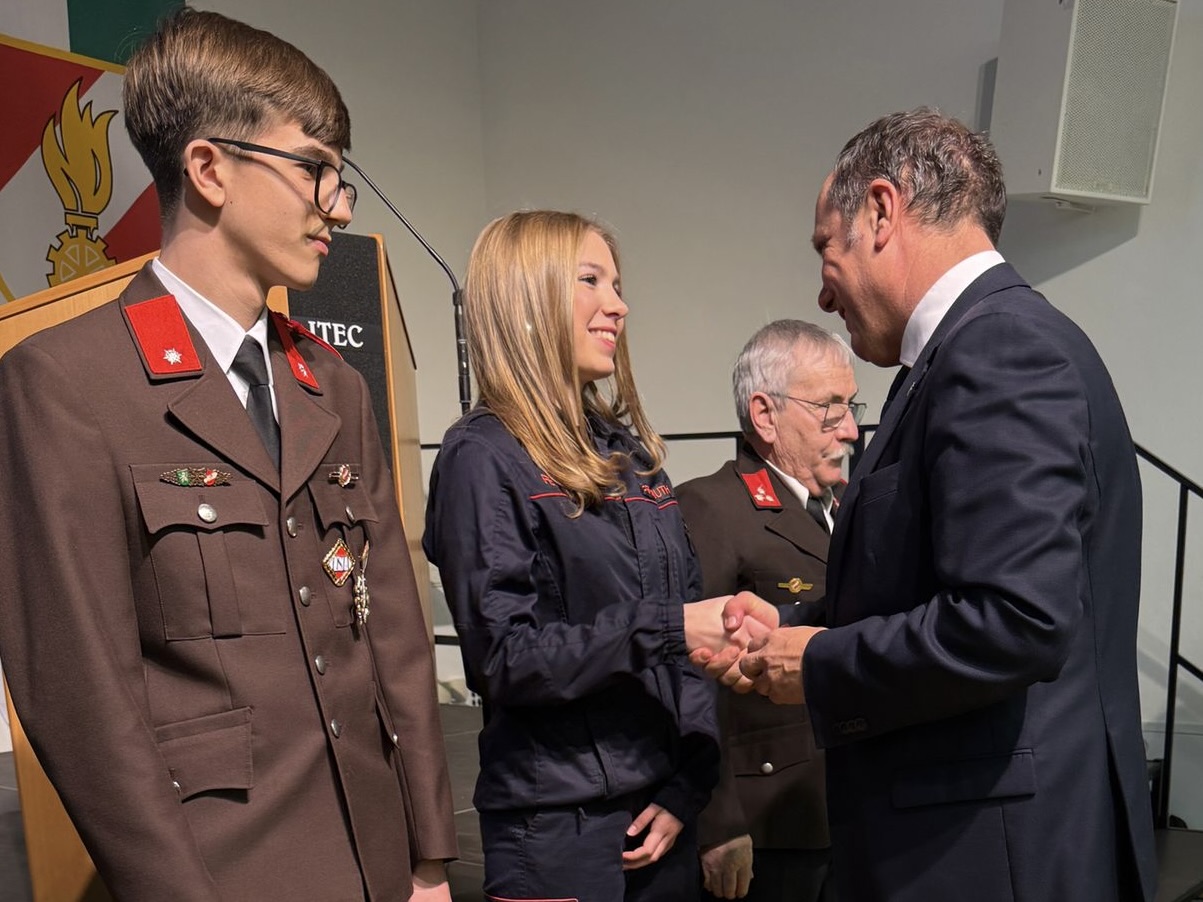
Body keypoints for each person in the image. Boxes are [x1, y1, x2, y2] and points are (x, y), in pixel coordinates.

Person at [0, 9, 456, 900]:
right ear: (209, 169)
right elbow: (81, 698)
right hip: (224, 873)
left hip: (379, 866)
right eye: (314, 169)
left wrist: (429, 861)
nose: (338, 205)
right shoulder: (67, 385)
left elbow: (394, 639)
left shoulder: (334, 387)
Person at [706, 108, 1158, 901]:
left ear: (881, 211)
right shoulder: (974, 348)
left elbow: (1014, 620)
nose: (821, 292)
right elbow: (936, 579)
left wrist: (818, 663)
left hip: (987, 858)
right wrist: (791, 622)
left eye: (825, 248)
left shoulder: (997, 349)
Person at [424, 210, 755, 902]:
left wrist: (687, 783)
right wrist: (666, 629)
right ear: (527, 297)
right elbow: (504, 659)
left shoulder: (627, 454)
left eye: (617, 284)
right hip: (558, 833)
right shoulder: (482, 457)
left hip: (662, 816)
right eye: (590, 281)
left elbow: (689, 635)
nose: (618, 305)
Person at [678, 320, 858, 902]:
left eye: (850, 406)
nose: (850, 428)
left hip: (846, 806)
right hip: (768, 824)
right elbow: (690, 670)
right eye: (830, 409)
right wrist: (717, 821)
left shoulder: (847, 507)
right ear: (765, 414)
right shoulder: (712, 507)